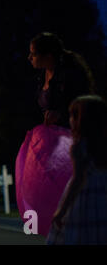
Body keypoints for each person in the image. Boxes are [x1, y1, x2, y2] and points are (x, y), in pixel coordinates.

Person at [16, 32, 95, 236]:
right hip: (50, 141)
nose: (29, 58)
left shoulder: (70, 75)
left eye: (33, 54)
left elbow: (82, 106)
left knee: (73, 184)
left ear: (48, 55)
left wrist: (59, 114)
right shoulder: (40, 77)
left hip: (69, 139)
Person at [47, 95, 107, 244]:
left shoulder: (80, 147)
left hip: (86, 197)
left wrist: (61, 211)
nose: (70, 120)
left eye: (74, 115)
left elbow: (78, 179)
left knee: (81, 235)